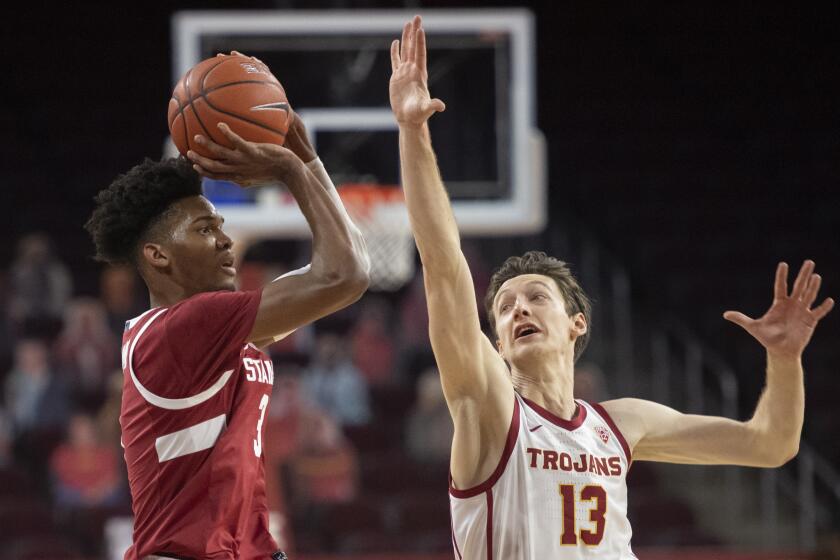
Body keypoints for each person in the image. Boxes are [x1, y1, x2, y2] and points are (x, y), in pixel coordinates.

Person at [388, 16, 834, 558]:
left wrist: (785, 361)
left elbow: (771, 444)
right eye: (504, 308)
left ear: (577, 323)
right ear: (498, 343)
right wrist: (413, 132)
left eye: (535, 298)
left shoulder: (623, 423)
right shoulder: (490, 409)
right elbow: (442, 263)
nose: (517, 310)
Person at [84, 61, 370, 560]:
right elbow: (344, 275)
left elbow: (349, 267)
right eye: (203, 229)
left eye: (220, 224)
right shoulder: (184, 330)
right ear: (157, 255)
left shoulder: (216, 331)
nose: (224, 239)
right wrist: (288, 169)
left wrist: (308, 160)